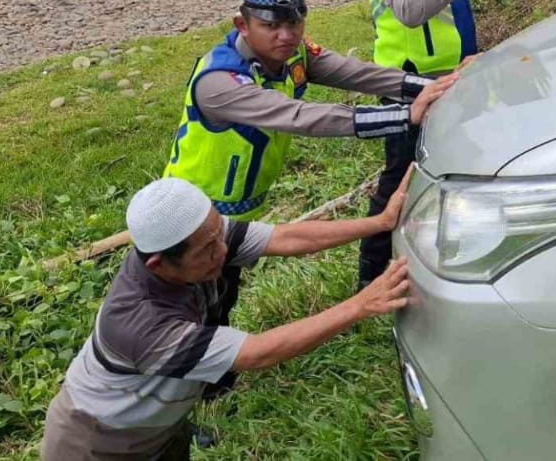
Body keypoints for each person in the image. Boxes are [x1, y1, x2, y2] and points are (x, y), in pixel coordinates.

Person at [162, 0, 457, 359]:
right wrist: (405, 116)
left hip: (231, 212)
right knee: (189, 303)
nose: (286, 35)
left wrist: (435, 85)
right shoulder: (220, 82)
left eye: (295, 21)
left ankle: (212, 379)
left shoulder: (292, 53)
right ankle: (194, 380)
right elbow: (301, 116)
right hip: (191, 211)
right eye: (271, 25)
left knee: (221, 292)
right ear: (242, 24)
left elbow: (354, 73)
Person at [41, 176, 414, 460]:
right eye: (209, 248)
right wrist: (360, 304)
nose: (224, 251)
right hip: (96, 440)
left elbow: (285, 238)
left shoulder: (198, 239)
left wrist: (379, 222)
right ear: (158, 264)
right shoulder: (140, 321)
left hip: (157, 420)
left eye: (220, 234)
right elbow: (258, 353)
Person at [360, 0, 491, 287]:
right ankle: (370, 279)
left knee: (444, 168)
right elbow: (408, 8)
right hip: (407, 82)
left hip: (446, 75)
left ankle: (433, 260)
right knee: (400, 179)